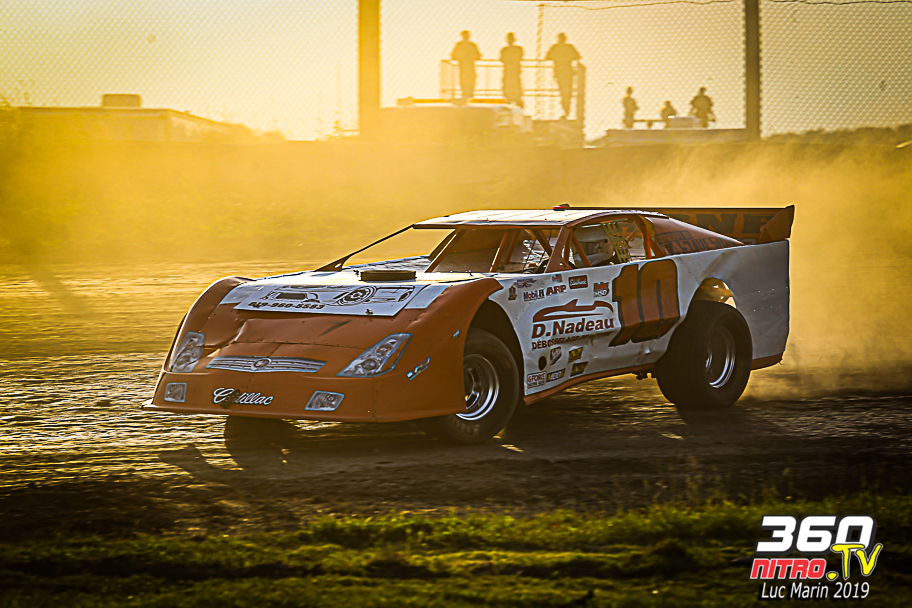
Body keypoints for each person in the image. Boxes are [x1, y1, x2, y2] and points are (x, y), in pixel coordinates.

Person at [545, 33, 580, 118]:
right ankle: (566, 110)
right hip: (565, 72)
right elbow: (576, 56)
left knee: (565, 92)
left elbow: (548, 57)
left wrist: (559, 57)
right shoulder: (566, 47)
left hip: (563, 72)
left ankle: (566, 110)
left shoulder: (558, 48)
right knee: (565, 92)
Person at [451, 31, 481, 100]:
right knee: (464, 79)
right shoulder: (460, 45)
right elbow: (453, 55)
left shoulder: (472, 45)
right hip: (464, 65)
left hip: (469, 66)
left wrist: (471, 57)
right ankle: (465, 93)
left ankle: (469, 93)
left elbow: (478, 55)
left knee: (470, 79)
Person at [499, 32, 524, 108]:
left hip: (510, 70)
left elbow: (502, 59)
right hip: (512, 70)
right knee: (513, 85)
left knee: (511, 85)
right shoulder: (517, 49)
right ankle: (513, 99)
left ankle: (512, 99)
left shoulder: (505, 50)